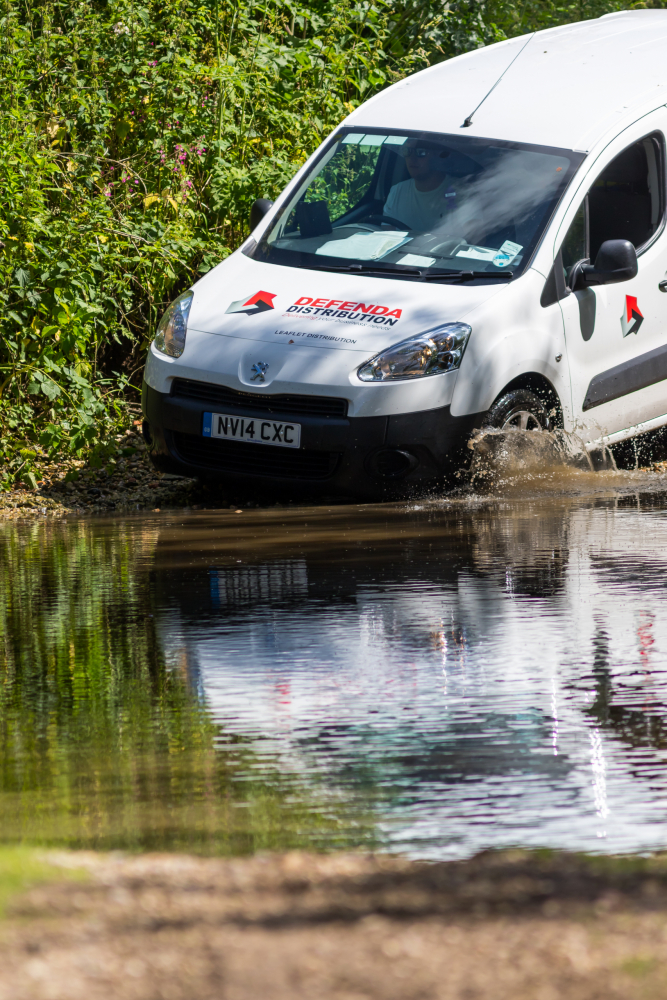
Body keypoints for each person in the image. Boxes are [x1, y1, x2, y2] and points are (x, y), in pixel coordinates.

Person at [383, 141, 457, 232]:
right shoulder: (397, 191)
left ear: (437, 156)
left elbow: (472, 238)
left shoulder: (461, 192)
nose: (412, 159)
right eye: (407, 151)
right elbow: (386, 236)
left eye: (421, 152)